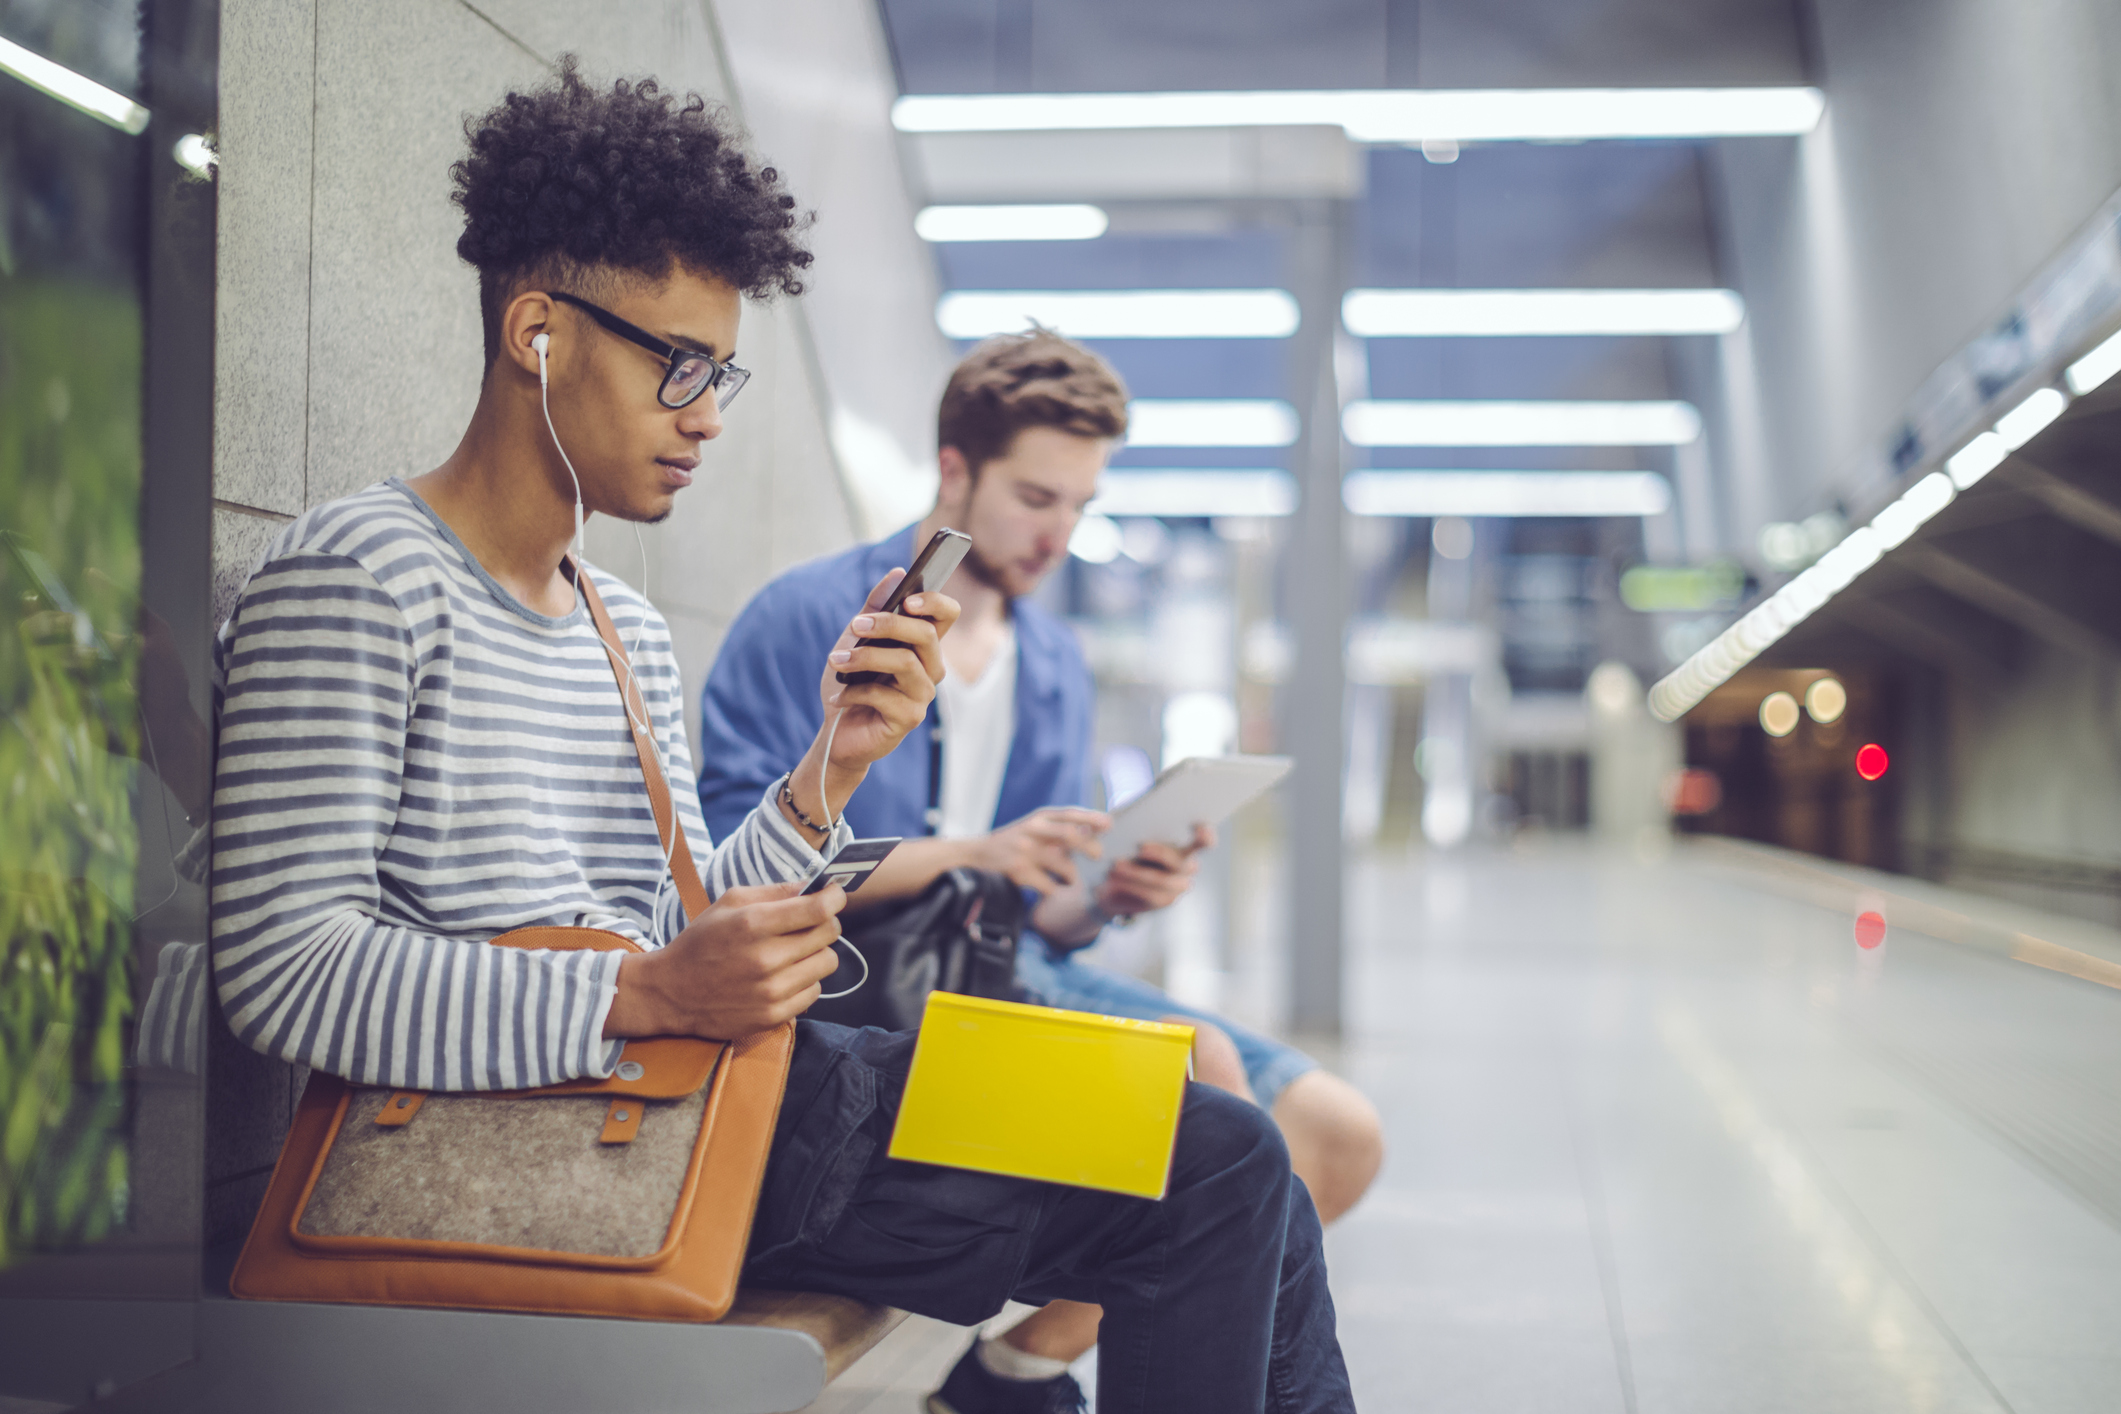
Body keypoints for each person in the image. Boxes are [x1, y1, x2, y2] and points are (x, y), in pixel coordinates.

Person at [207, 62, 1352, 1414]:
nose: (706, 412)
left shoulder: (617, 620)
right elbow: (281, 972)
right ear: (538, 332)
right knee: (1210, 1162)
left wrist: (835, 766)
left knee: (1231, 1145)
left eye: (723, 372)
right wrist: (643, 997)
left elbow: (684, 912)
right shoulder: (360, 575)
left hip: (723, 1096)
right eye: (678, 365)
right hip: (555, 1134)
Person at [698, 330, 1383, 1411]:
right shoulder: (808, 616)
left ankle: (1016, 1366)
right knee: (1211, 1093)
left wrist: (1108, 888)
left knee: (1333, 1134)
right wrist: (970, 851)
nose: (1059, 533)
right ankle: (1012, 1380)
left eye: (1080, 504)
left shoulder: (1053, 660)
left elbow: (1036, 911)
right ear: (955, 467)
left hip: (1006, 967)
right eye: (1035, 496)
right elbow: (731, 866)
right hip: (866, 983)